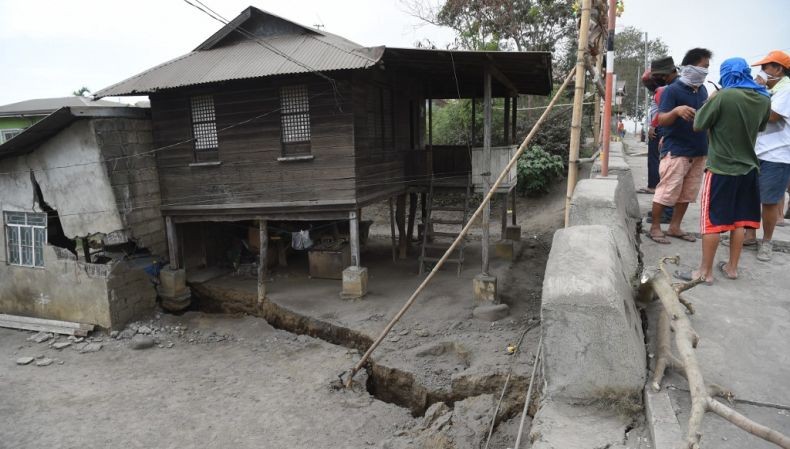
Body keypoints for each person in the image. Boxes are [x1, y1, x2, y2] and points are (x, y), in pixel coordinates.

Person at [674, 57, 770, 283]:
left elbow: (698, 124)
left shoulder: (724, 96)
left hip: (721, 169)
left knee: (712, 222)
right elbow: (761, 127)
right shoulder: (763, 99)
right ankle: (732, 268)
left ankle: (704, 273)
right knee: (739, 221)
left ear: (727, 74)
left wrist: (712, 98)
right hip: (749, 170)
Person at [648, 49, 712, 244]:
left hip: (699, 150)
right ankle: (655, 227)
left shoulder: (703, 90)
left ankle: (675, 227)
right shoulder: (672, 90)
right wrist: (676, 111)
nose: (706, 71)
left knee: (687, 194)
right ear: (690, 66)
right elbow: (661, 119)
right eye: (704, 66)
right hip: (676, 150)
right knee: (666, 191)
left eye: (708, 67)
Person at [743, 50, 790, 261]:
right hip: (756, 152)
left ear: (778, 69)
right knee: (749, 197)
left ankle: (767, 242)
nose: (761, 72)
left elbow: (771, 116)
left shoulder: (786, 90)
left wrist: (757, 91)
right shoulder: (771, 90)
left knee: (769, 202)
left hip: (776, 156)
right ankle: (749, 236)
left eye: (765, 67)